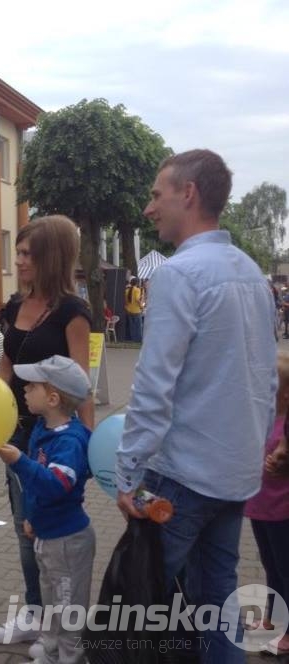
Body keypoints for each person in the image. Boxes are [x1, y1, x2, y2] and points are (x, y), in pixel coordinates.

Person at [115, 149, 277, 664]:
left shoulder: (180, 275)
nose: (148, 208)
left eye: (156, 194)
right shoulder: (252, 275)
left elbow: (153, 385)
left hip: (180, 477)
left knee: (142, 606)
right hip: (234, 475)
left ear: (188, 194)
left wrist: (126, 473)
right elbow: (263, 380)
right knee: (217, 606)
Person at [0, 215, 93, 655]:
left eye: (27, 253)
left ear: (50, 256)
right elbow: (3, 371)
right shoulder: (14, 306)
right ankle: (35, 614)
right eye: (19, 252)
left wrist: (85, 444)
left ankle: (54, 627)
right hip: (16, 434)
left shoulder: (72, 312)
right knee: (23, 528)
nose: (19, 260)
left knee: (45, 530)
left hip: (53, 437)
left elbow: (81, 383)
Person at [0, 355, 94, 664]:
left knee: (67, 607)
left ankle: (70, 657)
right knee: (51, 603)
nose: (24, 388)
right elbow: (38, 489)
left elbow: (54, 485)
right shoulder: (42, 429)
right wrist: (31, 518)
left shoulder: (71, 441)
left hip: (68, 541)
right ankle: (51, 652)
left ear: (53, 398)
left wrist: (19, 462)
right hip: (47, 536)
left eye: (33, 385)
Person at [244, 350, 289, 656]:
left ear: (285, 394)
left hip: (282, 512)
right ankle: (274, 620)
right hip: (259, 509)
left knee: (286, 571)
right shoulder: (262, 416)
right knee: (271, 569)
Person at [124, 276, 143, 341]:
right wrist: (141, 306)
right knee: (138, 326)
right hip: (136, 311)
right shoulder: (137, 290)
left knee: (131, 326)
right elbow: (137, 299)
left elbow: (125, 301)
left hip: (129, 310)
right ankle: (138, 339)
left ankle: (132, 339)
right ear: (137, 283)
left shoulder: (126, 290)